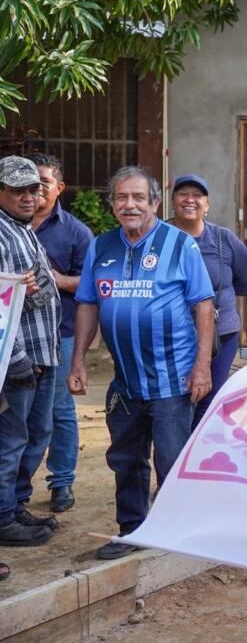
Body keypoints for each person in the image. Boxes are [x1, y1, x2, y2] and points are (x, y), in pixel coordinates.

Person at [67, 165, 215, 560]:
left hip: (173, 381)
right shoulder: (101, 247)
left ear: (154, 203)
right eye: (121, 197)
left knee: (170, 459)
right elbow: (87, 304)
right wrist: (78, 361)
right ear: (112, 204)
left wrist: (202, 366)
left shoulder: (180, 245)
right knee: (126, 460)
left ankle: (175, 534)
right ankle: (133, 531)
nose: (129, 204)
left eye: (137, 197)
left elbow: (204, 306)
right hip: (126, 383)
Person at [0, 155, 61, 547]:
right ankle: (4, 518)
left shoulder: (21, 229)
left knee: (36, 434)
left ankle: (15, 503)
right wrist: (19, 360)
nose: (28, 196)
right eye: (17, 190)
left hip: (43, 352)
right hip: (18, 360)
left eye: (33, 189)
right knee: (11, 441)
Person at [167, 173, 247, 429]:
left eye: (197, 195)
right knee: (175, 401)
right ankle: (177, 457)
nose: (190, 200)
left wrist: (218, 299)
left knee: (209, 399)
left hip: (221, 336)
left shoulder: (223, 239)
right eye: (183, 194)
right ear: (172, 201)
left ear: (207, 205)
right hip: (171, 336)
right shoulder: (159, 238)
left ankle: (196, 458)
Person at [30, 152, 92, 513]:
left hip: (60, 333)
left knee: (58, 409)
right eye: (30, 180)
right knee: (16, 410)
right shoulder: (9, 224)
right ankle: (15, 485)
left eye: (44, 182)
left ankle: (61, 482)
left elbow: (93, 284)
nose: (36, 189)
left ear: (60, 188)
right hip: (14, 335)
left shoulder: (76, 233)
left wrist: (58, 280)